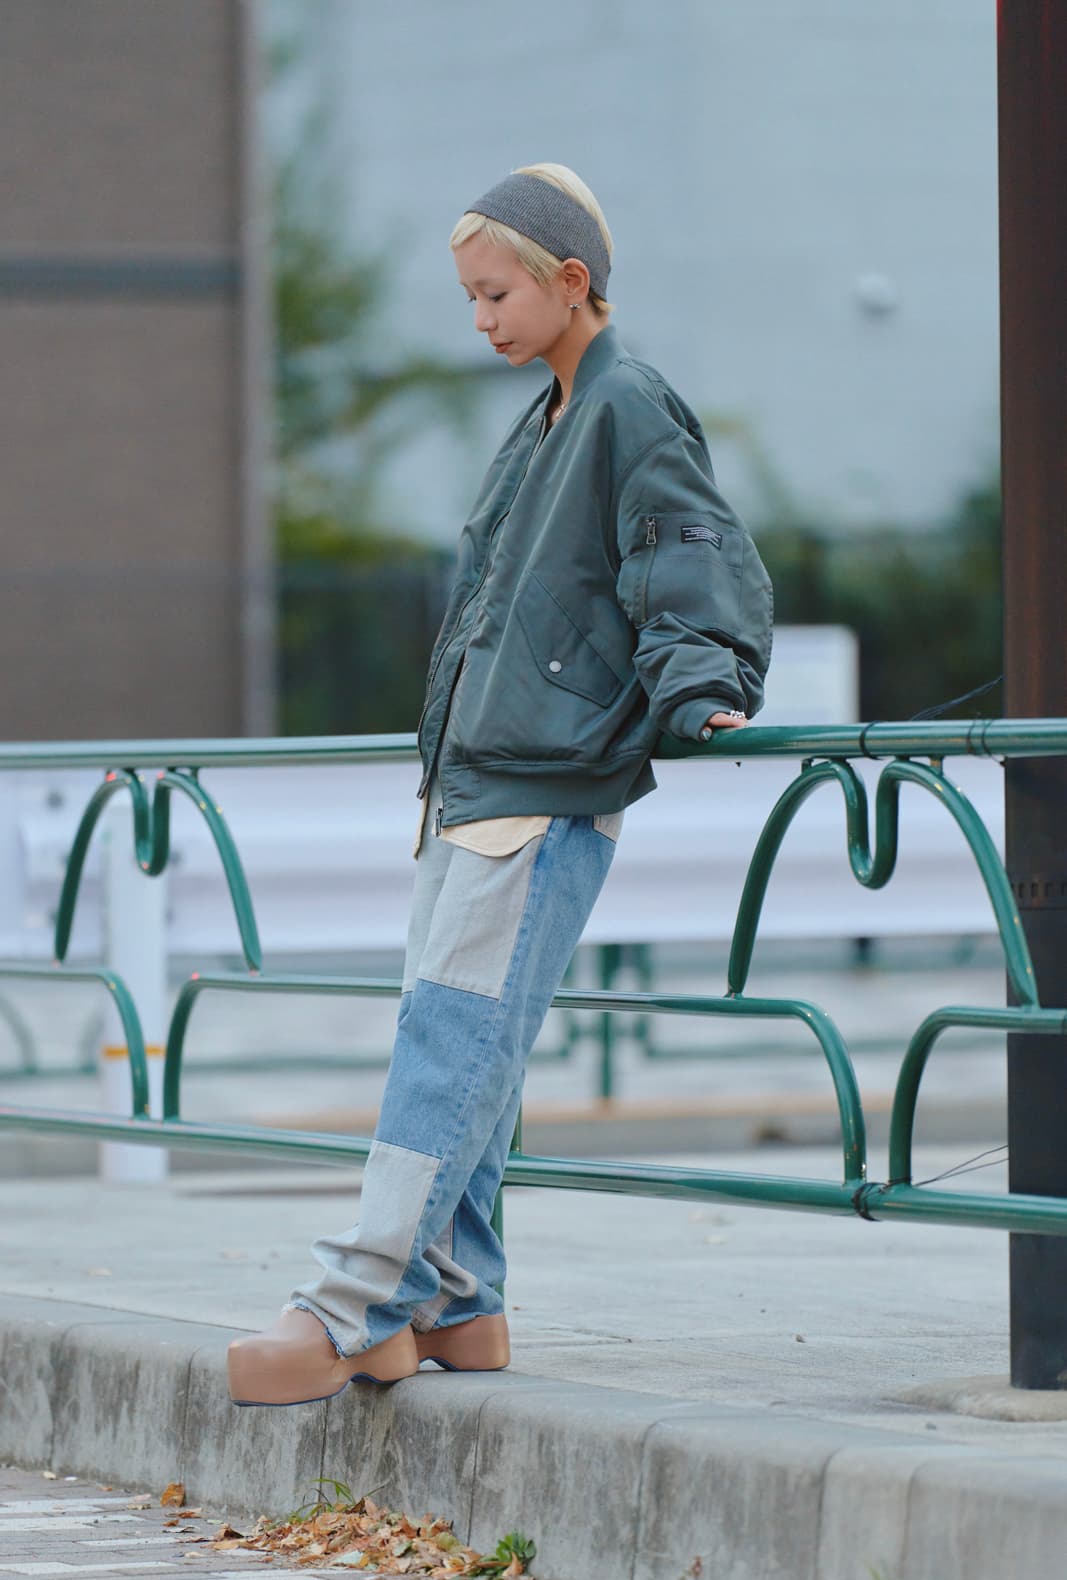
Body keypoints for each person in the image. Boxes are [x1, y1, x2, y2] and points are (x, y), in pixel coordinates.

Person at [227, 162, 773, 1407]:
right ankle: (456, 1303)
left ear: (569, 280)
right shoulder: (549, 415)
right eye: (469, 298)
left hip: (539, 779)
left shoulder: (626, 401)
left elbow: (684, 547)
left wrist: (698, 684)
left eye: (494, 295)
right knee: (464, 1042)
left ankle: (353, 1304)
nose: (478, 320)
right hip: (479, 778)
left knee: (450, 1043)